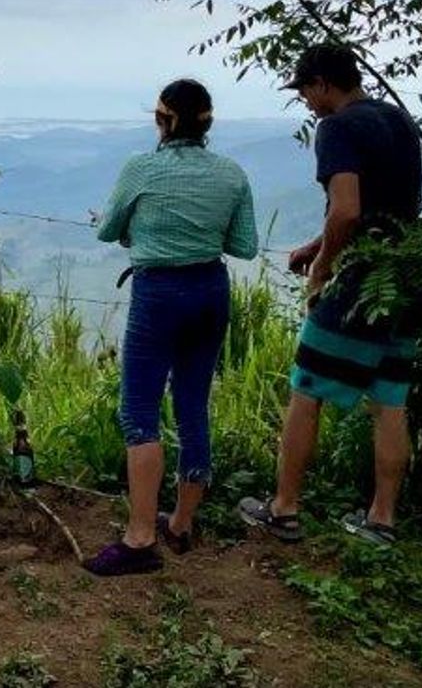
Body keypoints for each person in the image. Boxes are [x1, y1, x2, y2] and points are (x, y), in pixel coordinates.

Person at [240, 43, 422, 546]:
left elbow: (346, 209)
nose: (304, 100)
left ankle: (283, 508)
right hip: (408, 274)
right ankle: (381, 519)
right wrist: (318, 243)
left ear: (322, 83)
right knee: (390, 399)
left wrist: (323, 268)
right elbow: (383, 209)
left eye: (304, 89)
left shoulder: (336, 128)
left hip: (363, 281)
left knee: (307, 389)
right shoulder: (399, 120)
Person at [83, 80, 258, 577]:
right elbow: (243, 246)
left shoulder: (142, 168)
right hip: (210, 290)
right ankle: (180, 522)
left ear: (162, 121)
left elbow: (107, 229)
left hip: (157, 293)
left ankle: (139, 538)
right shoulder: (231, 174)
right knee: (192, 406)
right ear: (208, 122)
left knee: (139, 411)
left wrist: (147, 231)